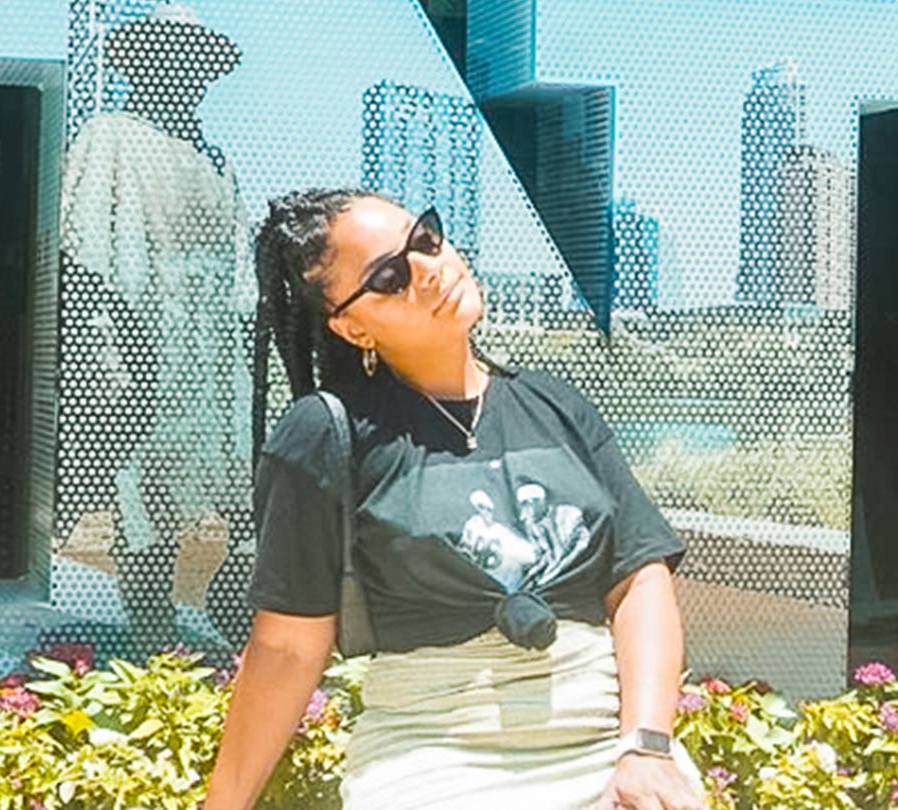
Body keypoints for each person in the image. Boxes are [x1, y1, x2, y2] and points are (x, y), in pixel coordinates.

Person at [200, 190, 706, 810]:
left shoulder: (556, 407)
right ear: (350, 324)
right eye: (389, 276)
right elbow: (288, 645)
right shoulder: (327, 434)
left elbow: (639, 578)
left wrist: (647, 746)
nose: (427, 268)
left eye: (427, 239)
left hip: (608, 748)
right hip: (435, 759)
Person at [58, 1, 251, 652]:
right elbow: (79, 258)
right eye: (168, 57)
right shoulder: (109, 137)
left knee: (234, 507)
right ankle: (151, 650)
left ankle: (223, 638)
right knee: (144, 513)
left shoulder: (217, 158)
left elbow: (240, 280)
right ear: (143, 64)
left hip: (209, 367)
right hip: (141, 358)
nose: (182, 72)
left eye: (193, 62)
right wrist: (104, 354)